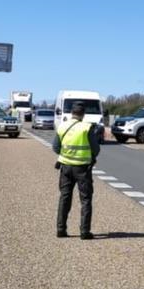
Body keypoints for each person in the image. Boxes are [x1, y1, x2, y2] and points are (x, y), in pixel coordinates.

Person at [52, 103, 101, 240]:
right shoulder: (86, 127)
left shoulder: (63, 126)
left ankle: (61, 229)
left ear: (71, 113)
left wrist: (67, 154)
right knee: (85, 199)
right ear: (83, 114)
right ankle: (84, 232)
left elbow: (55, 147)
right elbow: (96, 149)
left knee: (64, 197)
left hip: (66, 167)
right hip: (83, 168)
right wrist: (90, 157)